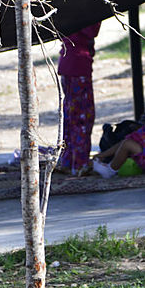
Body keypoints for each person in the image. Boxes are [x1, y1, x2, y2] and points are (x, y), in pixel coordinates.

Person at [58, 22, 101, 176]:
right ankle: (80, 164)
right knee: (83, 116)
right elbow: (91, 31)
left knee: (71, 116)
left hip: (68, 64)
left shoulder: (70, 7)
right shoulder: (85, 12)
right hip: (78, 66)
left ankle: (68, 161)